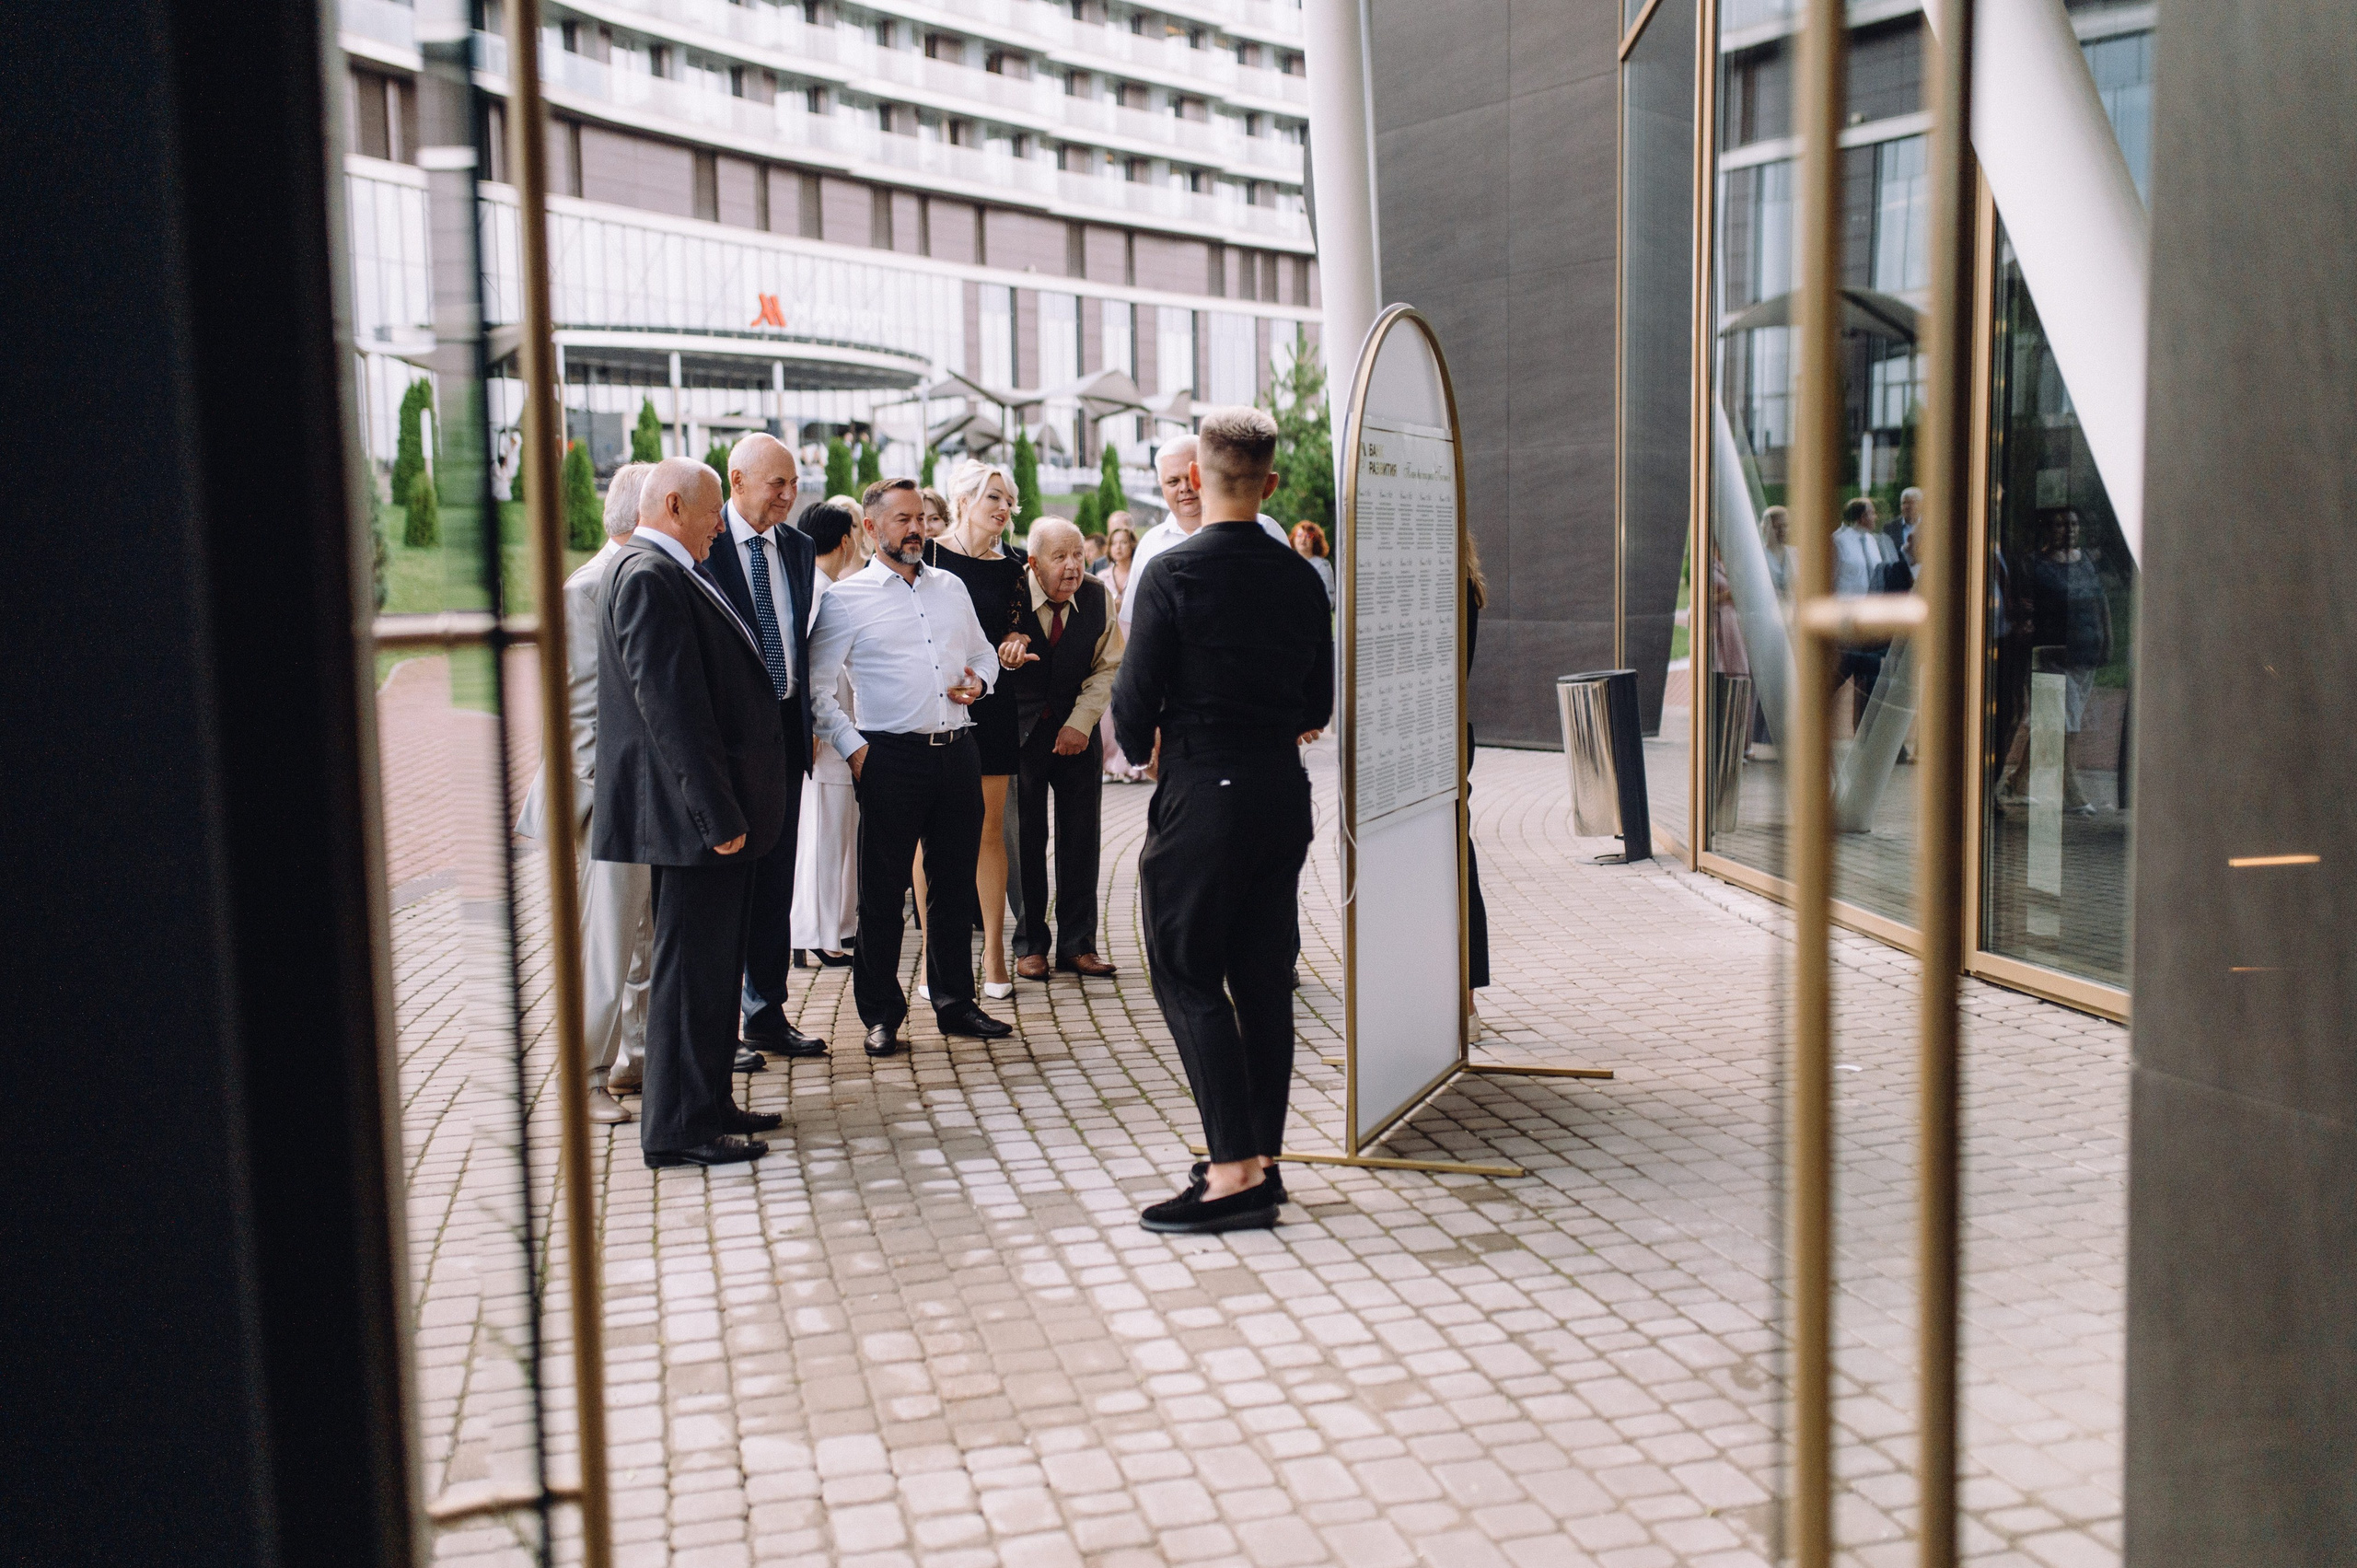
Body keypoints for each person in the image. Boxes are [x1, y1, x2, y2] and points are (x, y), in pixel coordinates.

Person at [1112, 406, 1332, 1235]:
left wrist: (1150, 741)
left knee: (1185, 969)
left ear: (1197, 480)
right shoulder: (1301, 576)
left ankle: (1233, 1169)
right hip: (1282, 790)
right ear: (1270, 483)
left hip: (1204, 791)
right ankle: (1261, 1158)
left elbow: (1132, 717)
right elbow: (1318, 702)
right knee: (1263, 979)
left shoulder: (1171, 574)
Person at [592, 459, 792, 1169]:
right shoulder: (649, 574)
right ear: (674, 505)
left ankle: (708, 1100)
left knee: (711, 971)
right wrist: (716, 813)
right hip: (694, 821)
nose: (719, 524)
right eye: (712, 511)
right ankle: (678, 1126)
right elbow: (671, 710)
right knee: (689, 977)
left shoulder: (665, 568)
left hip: (706, 817)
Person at [807, 477, 1015, 1055]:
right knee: (880, 895)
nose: (917, 528)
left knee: (952, 888)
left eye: (921, 517)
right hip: (888, 758)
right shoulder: (845, 600)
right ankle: (880, 1015)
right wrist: (854, 748)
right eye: (902, 519)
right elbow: (818, 689)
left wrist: (982, 680)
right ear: (871, 529)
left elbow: (981, 652)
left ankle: (954, 1002)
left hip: (958, 752)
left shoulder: (950, 586)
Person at [516, 460, 654, 1125]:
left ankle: (639, 1061)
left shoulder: (638, 578)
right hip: (605, 794)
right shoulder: (589, 587)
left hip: (642, 793)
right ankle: (584, 1078)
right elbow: (574, 705)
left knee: (644, 938)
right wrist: (606, 795)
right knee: (606, 942)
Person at [698, 433, 827, 1061]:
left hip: (783, 731)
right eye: (776, 483)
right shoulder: (704, 545)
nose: (787, 494)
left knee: (777, 878)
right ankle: (720, 1026)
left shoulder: (798, 548)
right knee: (729, 886)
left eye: (793, 483)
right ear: (736, 479)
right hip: (725, 744)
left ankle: (767, 1012)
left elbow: (798, 640)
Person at [922, 459, 1030, 999]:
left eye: (1009, 500)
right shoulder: (928, 553)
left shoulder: (1014, 563)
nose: (1005, 509)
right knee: (930, 834)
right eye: (994, 497)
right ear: (962, 500)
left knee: (990, 830)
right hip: (931, 703)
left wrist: (1013, 647)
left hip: (993, 703)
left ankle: (992, 953)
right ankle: (931, 960)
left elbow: (1016, 630)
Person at [1000, 519, 1124, 981]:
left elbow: (1109, 666)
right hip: (1023, 735)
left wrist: (1079, 724)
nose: (1073, 566)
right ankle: (1030, 943)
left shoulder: (1096, 595)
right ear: (1033, 563)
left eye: (1079, 554)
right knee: (1026, 839)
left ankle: (1078, 944)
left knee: (1081, 837)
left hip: (1077, 733)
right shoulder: (1009, 594)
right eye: (1060, 556)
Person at [789, 502, 865, 967]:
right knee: (825, 830)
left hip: (833, 724)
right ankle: (817, 931)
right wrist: (815, 727)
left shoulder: (815, 586)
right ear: (844, 541)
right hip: (827, 729)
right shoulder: (820, 590)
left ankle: (828, 925)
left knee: (833, 829)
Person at [1120, 436, 1292, 637]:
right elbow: (1131, 623)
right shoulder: (1150, 544)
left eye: (1192, 477)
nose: (1185, 488)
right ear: (1161, 485)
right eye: (1173, 481)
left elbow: (1291, 608)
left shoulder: (1263, 529)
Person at [1831, 496, 1901, 726]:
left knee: (1869, 676)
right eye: (1872, 513)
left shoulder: (1872, 541)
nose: (1875, 517)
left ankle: (1863, 730)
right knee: (1839, 674)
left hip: (1870, 621)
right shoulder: (1838, 541)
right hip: (1847, 620)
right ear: (1861, 516)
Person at [1097, 520, 1149, 783]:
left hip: (1134, 637)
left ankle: (1131, 763)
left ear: (1132, 544)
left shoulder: (1140, 573)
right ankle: (1108, 763)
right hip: (1110, 640)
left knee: (1129, 699)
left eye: (1123, 542)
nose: (1118, 547)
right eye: (1114, 543)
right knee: (1107, 703)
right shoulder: (1102, 576)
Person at [1291, 520, 1335, 603]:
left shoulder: (1322, 565)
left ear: (1316, 540)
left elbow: (1329, 599)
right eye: (1299, 535)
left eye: (1308, 536)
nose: (1303, 539)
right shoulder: (1288, 563)